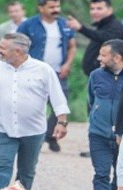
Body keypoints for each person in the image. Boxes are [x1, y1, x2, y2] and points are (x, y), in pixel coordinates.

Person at [0, 33, 69, 190]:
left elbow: (58, 98)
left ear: (17, 51)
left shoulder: (43, 69)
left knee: (26, 172)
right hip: (2, 128)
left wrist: (62, 122)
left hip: (33, 130)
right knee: (2, 168)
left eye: (2, 48)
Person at [18, 0, 76, 153]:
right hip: (33, 72)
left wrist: (68, 64)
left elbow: (72, 45)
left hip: (58, 72)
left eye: (57, 6)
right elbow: (17, 46)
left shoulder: (64, 24)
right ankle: (30, 137)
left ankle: (50, 135)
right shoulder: (28, 25)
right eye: (51, 7)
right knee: (33, 105)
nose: (55, 10)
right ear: (41, 8)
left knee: (61, 104)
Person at [85, 39, 123, 190]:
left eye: (103, 55)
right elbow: (90, 100)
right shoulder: (96, 75)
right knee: (101, 173)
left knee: (121, 173)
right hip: (98, 134)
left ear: (117, 57)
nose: (99, 58)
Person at [67, 0, 123, 77]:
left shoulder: (115, 26)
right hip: (96, 76)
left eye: (99, 9)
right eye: (92, 9)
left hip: (107, 77)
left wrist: (81, 28)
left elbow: (105, 38)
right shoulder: (101, 26)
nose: (95, 12)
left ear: (110, 9)